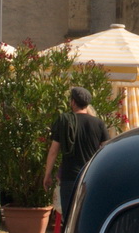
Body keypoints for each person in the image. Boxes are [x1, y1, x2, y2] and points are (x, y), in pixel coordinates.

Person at [44, 86, 110, 221]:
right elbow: (106, 150)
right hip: (90, 176)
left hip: (69, 177)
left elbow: (53, 151)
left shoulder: (64, 121)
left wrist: (47, 174)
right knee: (88, 217)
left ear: (73, 102)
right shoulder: (98, 123)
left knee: (69, 219)